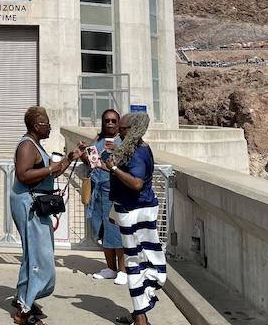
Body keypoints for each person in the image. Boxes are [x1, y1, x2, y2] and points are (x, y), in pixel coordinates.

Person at [10, 106, 85, 325]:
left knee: (32, 254)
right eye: (46, 123)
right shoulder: (26, 146)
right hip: (27, 204)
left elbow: (50, 171)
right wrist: (50, 169)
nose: (50, 126)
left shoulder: (36, 145)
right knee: (40, 258)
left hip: (33, 202)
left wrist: (71, 157)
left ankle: (23, 297)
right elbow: (23, 175)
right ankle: (23, 313)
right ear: (36, 126)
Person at [101, 113, 166, 325]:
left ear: (134, 130)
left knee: (136, 264)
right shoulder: (134, 148)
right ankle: (140, 313)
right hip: (130, 208)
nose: (119, 132)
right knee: (137, 262)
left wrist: (113, 168)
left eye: (123, 129)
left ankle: (140, 317)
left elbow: (136, 183)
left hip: (137, 212)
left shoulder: (138, 152)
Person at [86, 108, 126, 283]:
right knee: (102, 228)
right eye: (106, 120)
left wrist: (118, 149)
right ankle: (110, 267)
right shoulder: (98, 140)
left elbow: (129, 163)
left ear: (119, 123)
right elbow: (92, 162)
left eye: (113, 121)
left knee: (116, 230)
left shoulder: (124, 141)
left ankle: (123, 270)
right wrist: (84, 154)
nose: (110, 123)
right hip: (98, 191)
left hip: (115, 191)